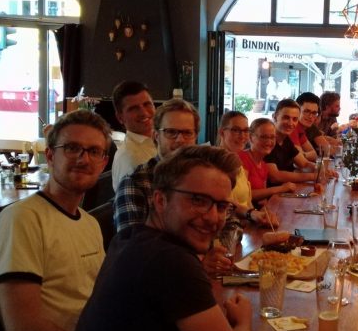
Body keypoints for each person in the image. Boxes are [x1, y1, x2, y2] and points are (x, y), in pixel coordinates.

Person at [55, 146, 256, 331]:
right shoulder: (171, 261)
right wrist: (243, 323)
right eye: (198, 200)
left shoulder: (129, 238)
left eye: (221, 206)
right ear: (160, 200)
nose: (213, 217)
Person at [0, 110, 111, 331]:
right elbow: (24, 330)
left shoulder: (89, 224)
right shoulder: (22, 219)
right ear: (50, 155)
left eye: (94, 151)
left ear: (104, 162)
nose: (83, 159)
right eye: (72, 148)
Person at [114, 98, 199, 233]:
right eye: (171, 132)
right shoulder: (135, 183)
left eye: (187, 133)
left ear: (195, 137)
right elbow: (132, 244)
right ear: (156, 136)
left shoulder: (201, 179)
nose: (180, 140)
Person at [217, 111, 277, 227]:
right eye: (236, 130)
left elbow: (248, 202)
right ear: (222, 133)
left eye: (245, 130)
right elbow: (225, 202)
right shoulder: (216, 164)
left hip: (244, 227)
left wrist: (261, 215)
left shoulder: (237, 162)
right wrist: (252, 214)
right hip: (227, 229)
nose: (242, 136)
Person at [111, 80, 157, 190]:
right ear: (120, 118)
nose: (144, 113)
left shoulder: (160, 140)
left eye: (147, 104)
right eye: (134, 108)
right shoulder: (130, 160)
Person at [239, 118, 297, 201]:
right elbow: (244, 195)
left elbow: (263, 200)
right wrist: (281, 188)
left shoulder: (263, 165)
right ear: (251, 137)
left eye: (272, 137)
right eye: (264, 137)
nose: (269, 141)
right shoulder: (242, 158)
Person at [265, 99, 319, 185]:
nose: (290, 123)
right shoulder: (266, 140)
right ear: (274, 117)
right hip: (273, 192)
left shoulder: (286, 139)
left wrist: (322, 169)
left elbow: (304, 163)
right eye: (286, 118)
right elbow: (275, 176)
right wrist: (314, 176)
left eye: (295, 119)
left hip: (287, 189)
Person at [292, 92, 329, 160]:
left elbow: (314, 154)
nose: (310, 116)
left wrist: (303, 155)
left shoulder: (302, 129)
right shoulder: (292, 128)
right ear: (297, 110)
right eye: (306, 111)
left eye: (314, 113)